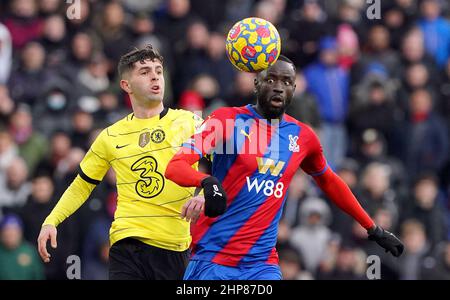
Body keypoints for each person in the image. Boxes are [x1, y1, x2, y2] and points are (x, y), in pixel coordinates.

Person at [165, 56, 404, 280]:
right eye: (271, 79)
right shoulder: (226, 119)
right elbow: (175, 166)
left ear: (294, 89)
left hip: (262, 264)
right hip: (212, 259)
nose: (279, 86)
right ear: (256, 84)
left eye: (287, 81)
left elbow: (330, 182)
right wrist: (207, 182)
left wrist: (373, 228)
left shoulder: (303, 137)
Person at [37, 45, 204, 280]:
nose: (155, 75)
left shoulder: (191, 123)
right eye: (145, 72)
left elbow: (229, 162)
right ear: (126, 85)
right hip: (127, 244)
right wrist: (51, 220)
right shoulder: (110, 136)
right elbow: (82, 185)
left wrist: (206, 193)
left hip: (173, 247)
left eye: (158, 70)